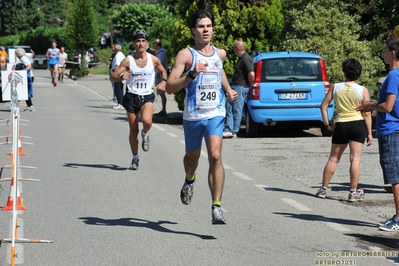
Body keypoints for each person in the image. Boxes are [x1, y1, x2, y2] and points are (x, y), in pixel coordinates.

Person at [165, 9, 237, 224]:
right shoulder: (186, 55)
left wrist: (227, 89)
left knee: (215, 155)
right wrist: (192, 74)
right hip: (193, 117)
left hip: (215, 113)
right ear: (193, 30)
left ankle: (216, 207)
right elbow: (170, 85)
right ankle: (190, 178)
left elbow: (220, 70)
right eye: (201, 26)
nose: (205, 30)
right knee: (192, 159)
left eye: (208, 26)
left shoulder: (220, 53)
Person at [356, 37, 399, 231]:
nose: (382, 54)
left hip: (391, 129)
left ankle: (398, 219)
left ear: (393, 53)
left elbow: (388, 106)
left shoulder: (393, 76)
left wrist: (371, 105)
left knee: (394, 177)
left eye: (384, 51)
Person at [316, 59, 373, 202]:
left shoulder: (335, 87)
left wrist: (328, 124)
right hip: (357, 125)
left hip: (341, 125)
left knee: (333, 159)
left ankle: (323, 189)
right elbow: (366, 113)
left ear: (344, 71)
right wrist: (370, 133)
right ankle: (353, 192)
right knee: (355, 159)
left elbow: (323, 106)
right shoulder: (362, 90)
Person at [111, 30, 167, 170]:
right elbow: (113, 76)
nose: (140, 44)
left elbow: (163, 70)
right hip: (131, 96)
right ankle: (135, 158)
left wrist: (164, 81)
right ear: (134, 43)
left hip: (147, 95)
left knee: (147, 121)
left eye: (143, 41)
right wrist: (120, 77)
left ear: (147, 43)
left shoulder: (153, 59)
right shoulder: (128, 60)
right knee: (133, 130)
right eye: (138, 41)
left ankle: (145, 133)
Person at [223, 40, 254, 138]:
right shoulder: (242, 58)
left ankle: (234, 130)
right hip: (236, 86)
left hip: (240, 87)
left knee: (236, 108)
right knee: (230, 108)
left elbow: (251, 74)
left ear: (237, 49)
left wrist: (249, 84)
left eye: (234, 48)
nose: (233, 51)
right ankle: (229, 129)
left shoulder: (246, 59)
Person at [153, 39, 169, 117]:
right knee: (161, 94)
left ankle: (163, 110)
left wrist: (159, 74)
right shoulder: (160, 52)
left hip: (160, 76)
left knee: (162, 93)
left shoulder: (161, 53)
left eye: (154, 43)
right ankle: (163, 109)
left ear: (156, 44)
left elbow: (160, 64)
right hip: (160, 75)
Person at [111, 44, 125, 110]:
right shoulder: (122, 54)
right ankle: (121, 102)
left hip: (118, 74)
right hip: (121, 74)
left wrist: (115, 75)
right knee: (120, 89)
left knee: (118, 89)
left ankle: (120, 103)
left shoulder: (118, 56)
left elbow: (117, 66)